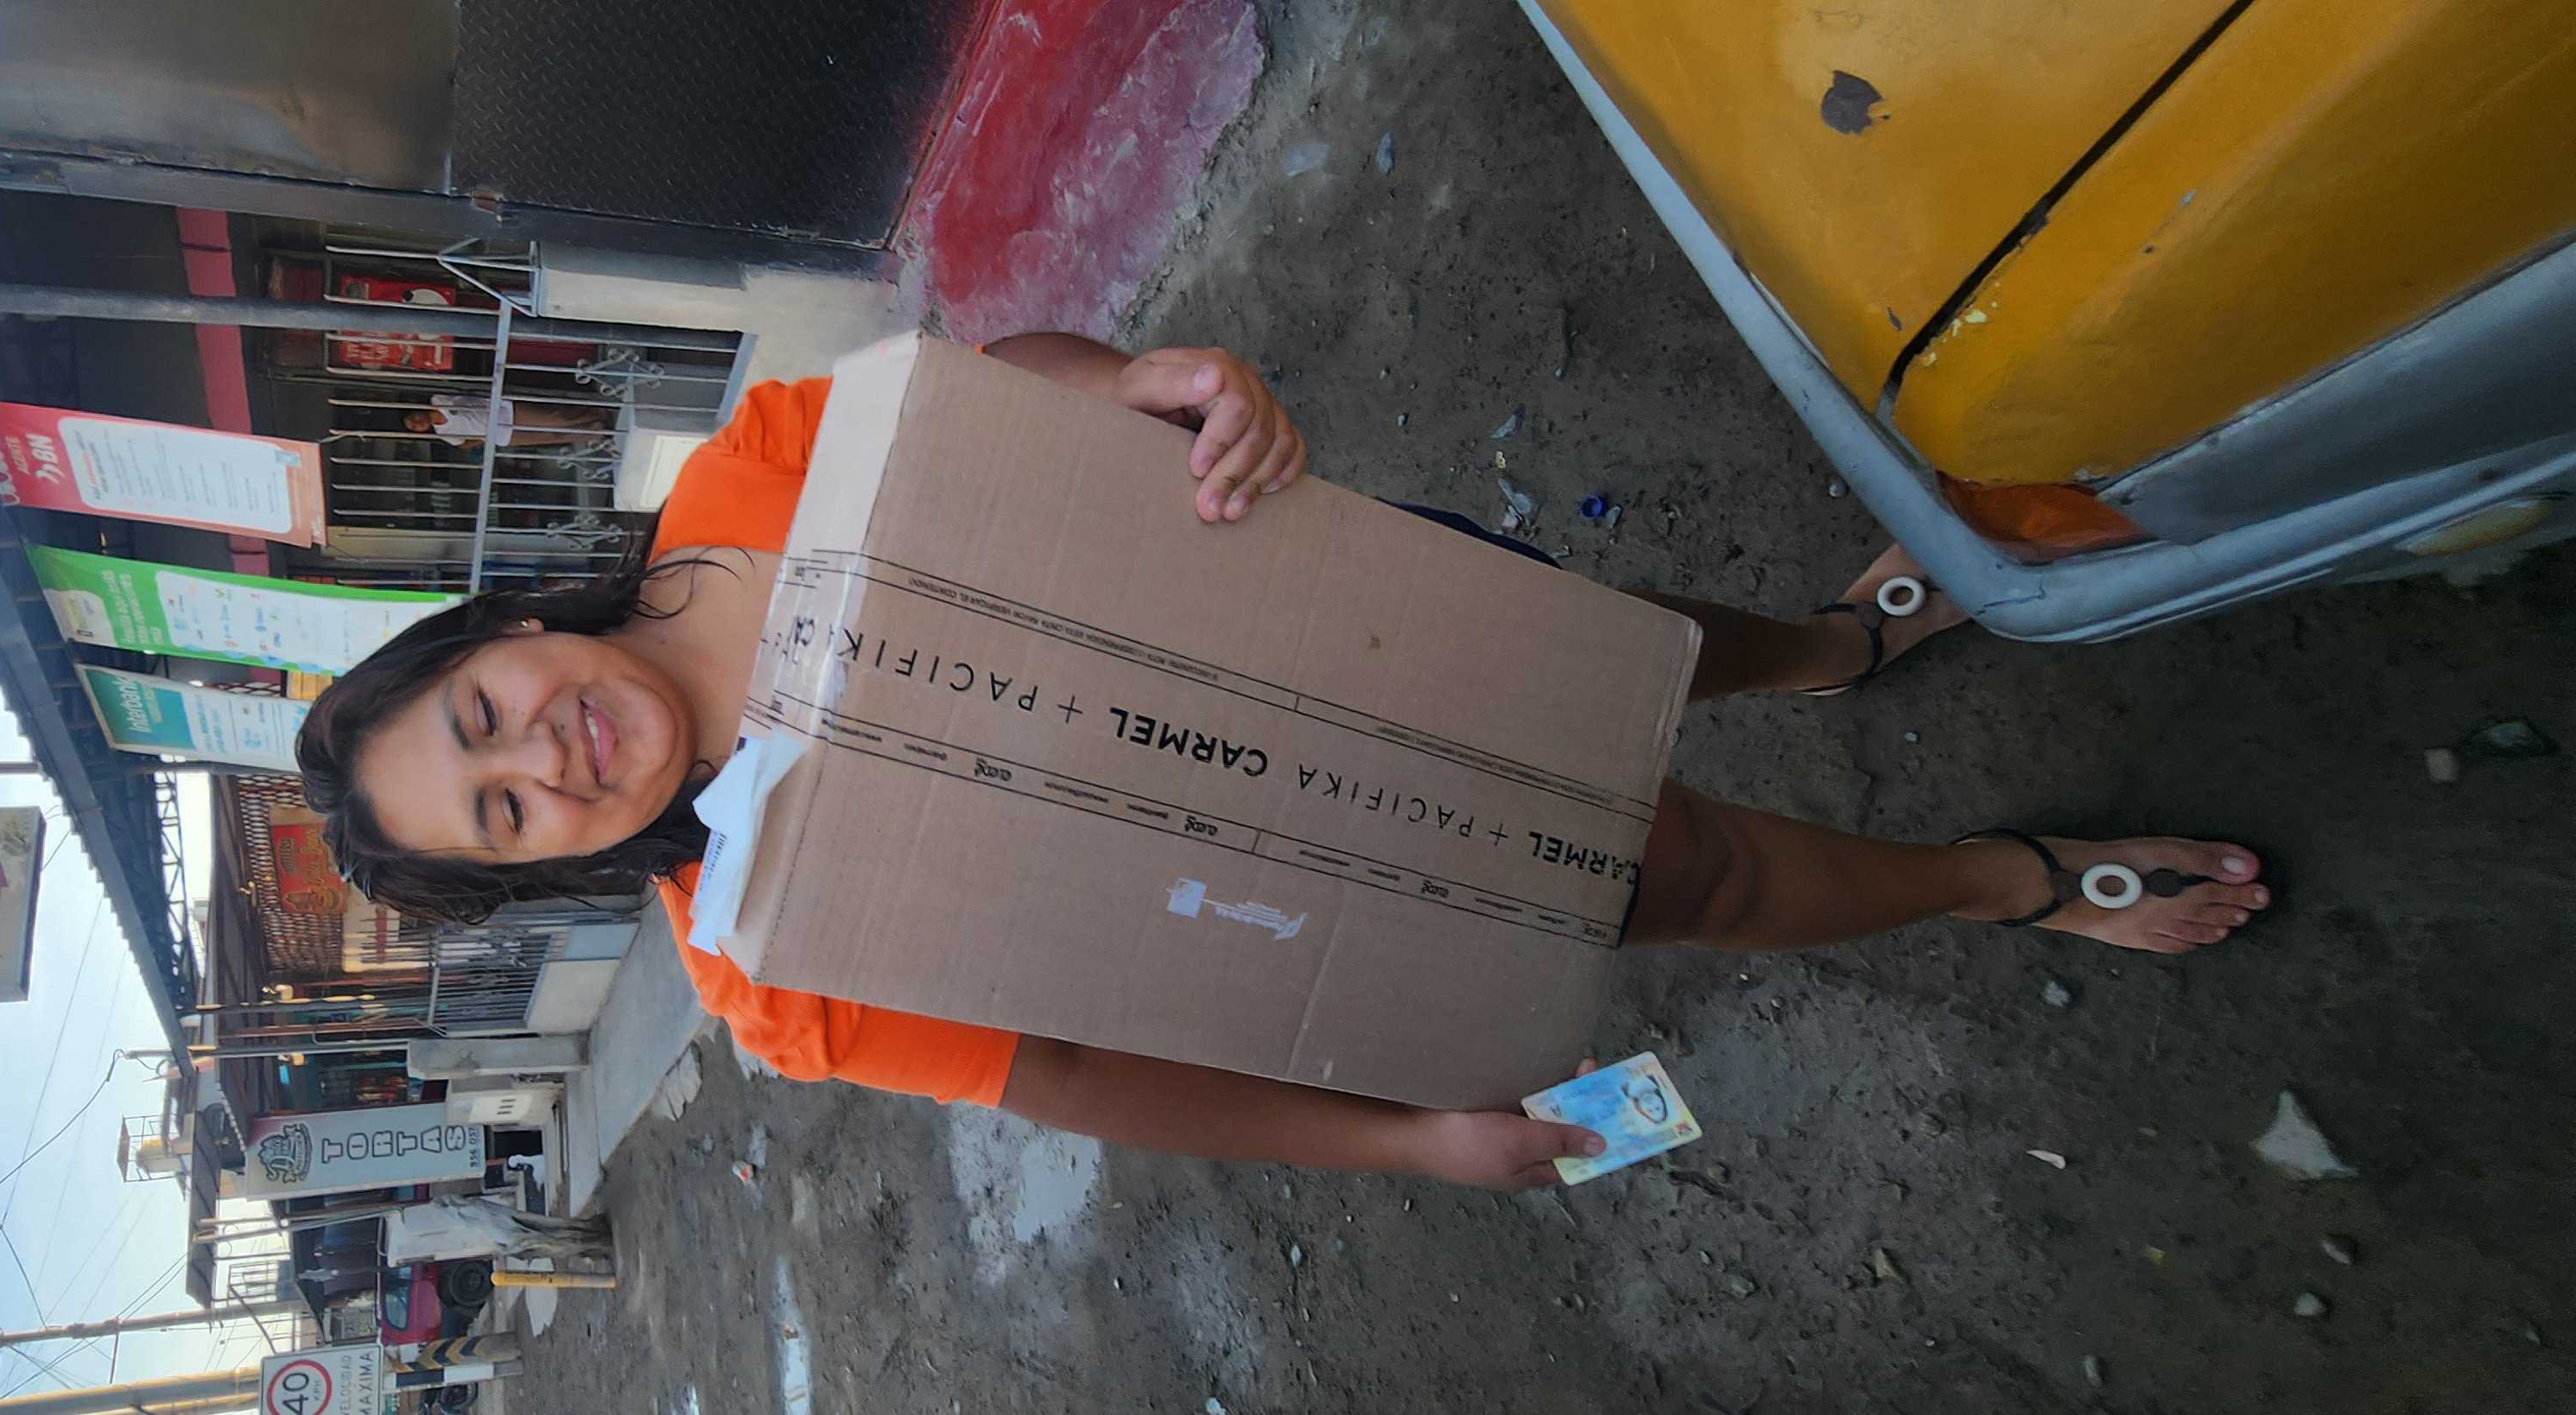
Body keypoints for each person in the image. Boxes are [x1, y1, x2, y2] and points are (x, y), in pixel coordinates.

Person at [294, 333, 2273, 1190]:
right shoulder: (767, 966)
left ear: (498, 633)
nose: (541, 755)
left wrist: (1136, 386)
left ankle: (1828, 648)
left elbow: (990, 384)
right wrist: (1403, 1140)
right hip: (1344, 850)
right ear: (542, 868)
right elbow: (1074, 1075)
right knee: (1694, 876)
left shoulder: (741, 481)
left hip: (1359, 614)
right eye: (503, 816)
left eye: (480, 715)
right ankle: (2005, 880)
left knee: (1622, 655)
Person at [405, 393, 612, 448]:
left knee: (555, 419)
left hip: (506, 412)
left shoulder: (438, 400)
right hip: (504, 436)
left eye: (413, 419)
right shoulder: (443, 433)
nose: (418, 424)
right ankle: (595, 431)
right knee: (552, 436)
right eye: (414, 427)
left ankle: (596, 414)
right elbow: (463, 444)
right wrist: (484, 438)